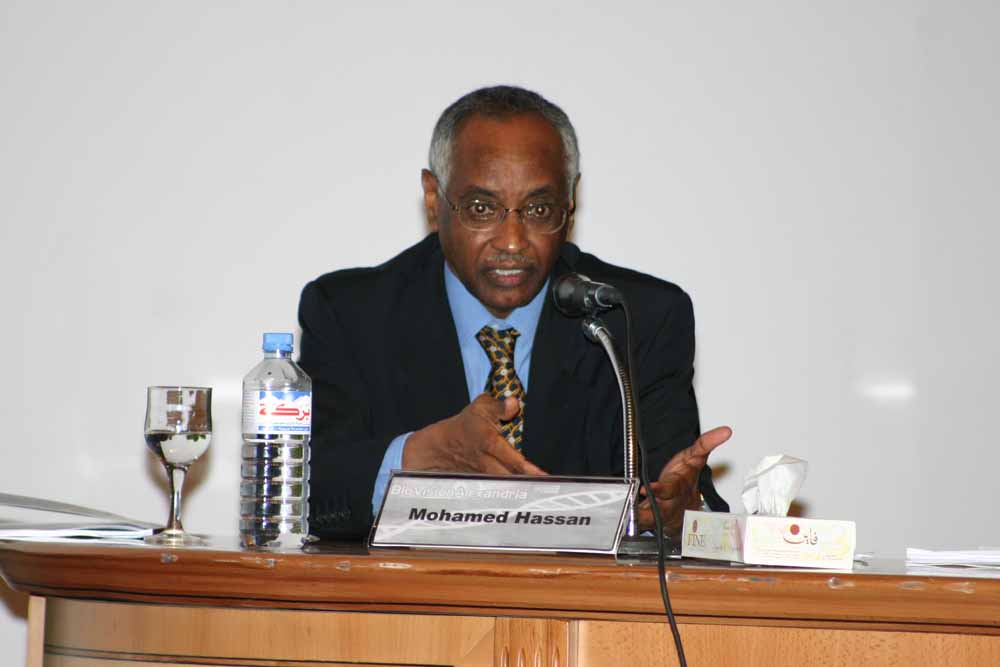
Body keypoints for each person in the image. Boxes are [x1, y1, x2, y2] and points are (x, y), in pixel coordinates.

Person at [299, 85, 731, 540]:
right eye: (481, 209)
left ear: (571, 201)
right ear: (433, 198)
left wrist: (684, 513)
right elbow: (309, 492)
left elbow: (676, 493)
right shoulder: (350, 314)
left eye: (539, 209)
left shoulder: (633, 319)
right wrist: (413, 456)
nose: (512, 242)